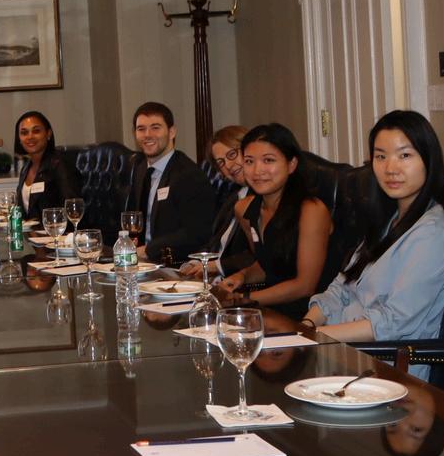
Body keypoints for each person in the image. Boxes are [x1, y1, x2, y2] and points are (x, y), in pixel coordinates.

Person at [301, 110, 444, 344]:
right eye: (381, 156)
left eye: (404, 155)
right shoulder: (389, 219)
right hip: (339, 344)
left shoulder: (435, 233)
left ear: (429, 160)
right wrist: (306, 326)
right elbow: (341, 288)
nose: (390, 169)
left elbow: (393, 322)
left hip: (381, 358)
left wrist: (315, 337)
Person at [216, 123, 332, 313]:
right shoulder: (243, 209)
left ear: (291, 164)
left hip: (311, 312)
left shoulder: (312, 210)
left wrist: (245, 299)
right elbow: (268, 265)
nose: (257, 171)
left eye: (268, 160)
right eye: (249, 161)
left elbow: (305, 286)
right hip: (268, 307)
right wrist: (242, 276)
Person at [127, 102, 215, 263]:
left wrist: (148, 250)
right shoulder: (140, 168)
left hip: (173, 263)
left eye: (155, 127)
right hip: (141, 261)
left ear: (172, 132)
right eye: (141, 129)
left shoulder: (188, 175)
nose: (147, 135)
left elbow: (196, 232)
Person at [181, 125, 252, 280]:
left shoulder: (266, 198)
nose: (228, 166)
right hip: (211, 281)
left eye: (232, 154)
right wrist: (194, 263)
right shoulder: (233, 197)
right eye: (221, 162)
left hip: (241, 284)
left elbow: (259, 256)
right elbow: (214, 242)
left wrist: (217, 266)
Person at [12, 110, 80, 221]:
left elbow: (72, 211)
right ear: (19, 139)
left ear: (48, 134)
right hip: (34, 232)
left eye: (36, 131)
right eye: (24, 133)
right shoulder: (26, 168)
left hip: (58, 230)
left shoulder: (60, 165)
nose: (30, 136)